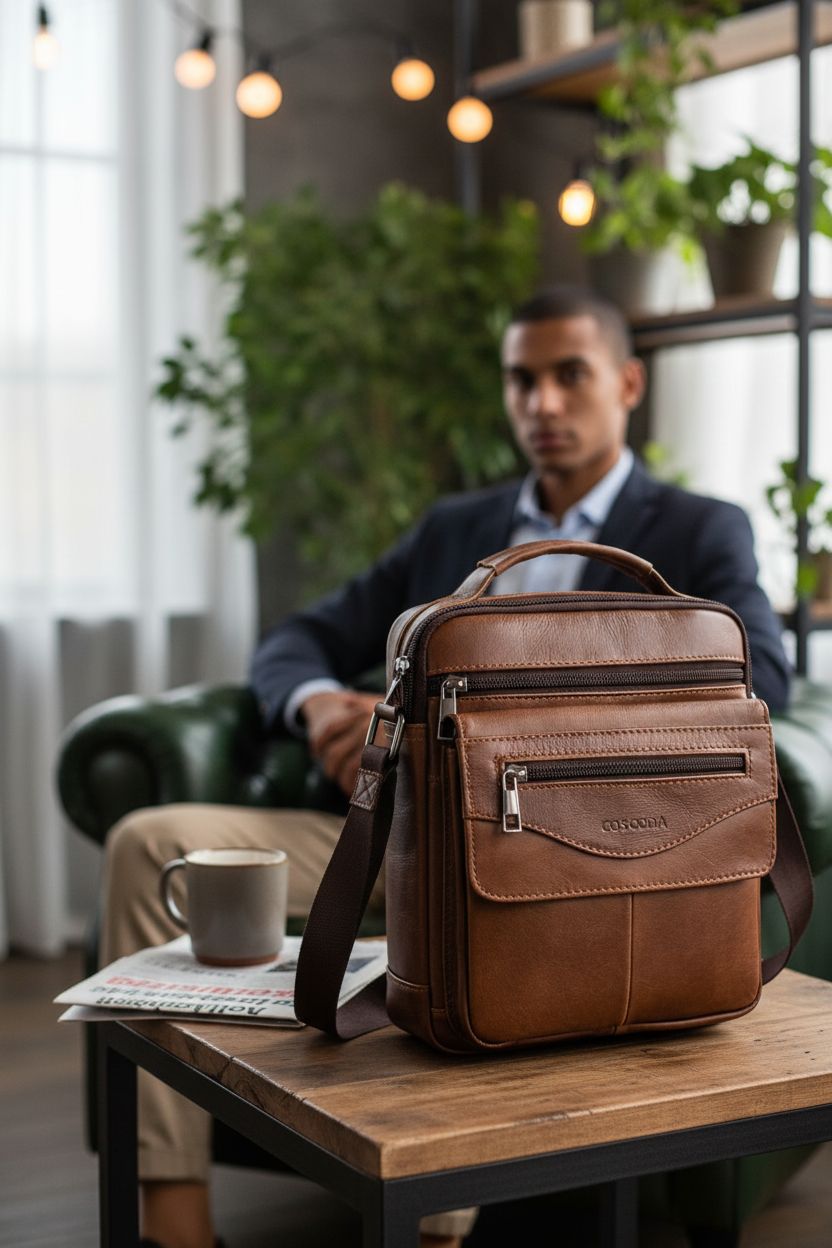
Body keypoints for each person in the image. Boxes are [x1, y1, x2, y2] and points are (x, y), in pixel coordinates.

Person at [101, 285, 790, 1248]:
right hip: (386, 839)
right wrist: (325, 708)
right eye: (521, 380)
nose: (541, 403)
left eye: (569, 375)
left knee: (486, 927)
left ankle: (436, 1229)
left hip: (562, 860)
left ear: (628, 383)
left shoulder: (694, 532)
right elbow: (301, 634)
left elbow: (763, 676)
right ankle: (173, 1222)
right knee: (150, 842)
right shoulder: (452, 530)